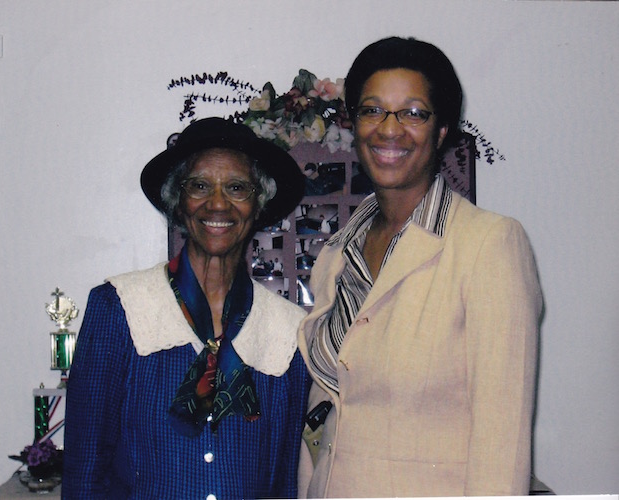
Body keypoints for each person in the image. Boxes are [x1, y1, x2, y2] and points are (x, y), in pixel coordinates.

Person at [297, 37, 543, 498]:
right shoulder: (336, 254)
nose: (390, 129)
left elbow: (502, 442)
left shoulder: (488, 244)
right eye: (373, 111)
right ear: (355, 124)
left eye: (413, 112)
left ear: (442, 129)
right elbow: (324, 417)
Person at [63, 117, 309, 499]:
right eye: (199, 185)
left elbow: (284, 486)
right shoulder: (120, 308)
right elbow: (84, 475)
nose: (217, 203)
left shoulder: (288, 332)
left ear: (258, 204)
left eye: (237, 188)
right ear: (178, 202)